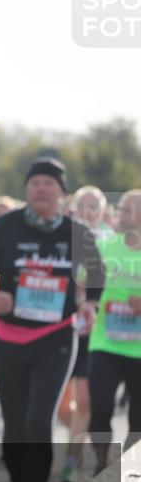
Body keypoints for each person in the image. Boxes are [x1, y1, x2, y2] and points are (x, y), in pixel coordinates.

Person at [0, 157, 103, 482]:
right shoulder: (6, 227)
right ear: (27, 189)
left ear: (61, 192)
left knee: (38, 422)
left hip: (56, 338)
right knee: (13, 430)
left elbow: (96, 275)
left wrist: (90, 302)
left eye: (48, 183)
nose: (40, 188)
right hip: (10, 338)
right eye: (35, 182)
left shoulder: (77, 233)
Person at [55, 186, 108, 482]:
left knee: (84, 400)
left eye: (92, 206)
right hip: (62, 328)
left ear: (101, 213)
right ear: (72, 209)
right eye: (81, 205)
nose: (86, 211)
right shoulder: (61, 242)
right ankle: (79, 435)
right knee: (61, 405)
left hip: (94, 332)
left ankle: (71, 463)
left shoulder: (109, 244)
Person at [88, 190, 141, 467]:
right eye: (120, 209)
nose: (121, 214)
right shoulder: (105, 247)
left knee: (138, 419)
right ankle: (101, 461)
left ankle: (132, 468)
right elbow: (82, 282)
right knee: (99, 411)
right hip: (105, 342)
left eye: (128, 210)